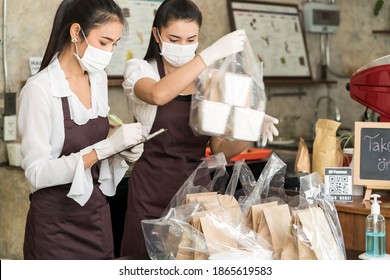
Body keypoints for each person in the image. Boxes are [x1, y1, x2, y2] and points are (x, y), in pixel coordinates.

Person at [120, 0, 279, 259]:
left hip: (197, 195)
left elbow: (220, 150)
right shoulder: (140, 70)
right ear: (156, 35)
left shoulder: (210, 81)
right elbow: (158, 94)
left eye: (190, 39)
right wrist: (208, 56)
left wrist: (249, 128)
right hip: (150, 192)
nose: (183, 46)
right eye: (174, 38)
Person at [18, 0, 144, 260]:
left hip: (96, 217)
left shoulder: (98, 79)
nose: (109, 52)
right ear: (76, 32)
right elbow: (36, 173)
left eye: (114, 44)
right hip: (55, 227)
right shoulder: (40, 89)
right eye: (103, 42)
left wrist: (121, 153)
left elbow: (96, 160)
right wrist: (104, 148)